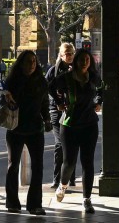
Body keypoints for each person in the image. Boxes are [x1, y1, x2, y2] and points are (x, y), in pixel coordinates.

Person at [50, 49, 103, 214]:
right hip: (70, 124)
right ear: (76, 61)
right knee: (69, 162)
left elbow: (103, 89)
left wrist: (99, 102)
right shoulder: (65, 78)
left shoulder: (93, 77)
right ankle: (63, 185)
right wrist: (59, 102)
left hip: (89, 124)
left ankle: (87, 199)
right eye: (82, 59)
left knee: (88, 162)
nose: (85, 62)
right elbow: (50, 87)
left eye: (88, 59)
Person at [2, 50, 52, 215]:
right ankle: (12, 202)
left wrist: (47, 119)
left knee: (38, 166)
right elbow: (3, 97)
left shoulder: (41, 82)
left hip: (35, 128)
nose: (32, 64)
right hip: (16, 128)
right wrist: (6, 97)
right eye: (28, 61)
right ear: (21, 63)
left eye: (34, 61)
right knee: (13, 165)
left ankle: (35, 204)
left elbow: (45, 103)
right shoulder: (13, 81)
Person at [45, 42, 76, 190]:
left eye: (71, 53)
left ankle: (71, 177)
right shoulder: (53, 71)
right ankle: (57, 179)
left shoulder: (77, 69)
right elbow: (48, 88)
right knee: (60, 144)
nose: (69, 56)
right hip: (56, 112)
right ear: (61, 55)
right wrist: (57, 102)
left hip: (73, 111)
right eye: (66, 53)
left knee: (72, 143)